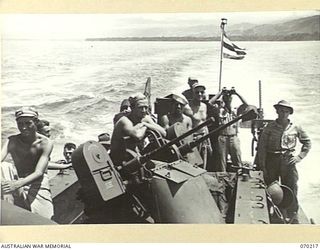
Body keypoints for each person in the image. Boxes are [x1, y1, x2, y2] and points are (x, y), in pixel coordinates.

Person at [256, 100, 311, 221]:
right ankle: (273, 213)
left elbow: (307, 142)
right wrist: (263, 166)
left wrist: (299, 157)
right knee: (271, 186)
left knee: (291, 186)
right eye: (281, 111)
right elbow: (262, 148)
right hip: (272, 160)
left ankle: (292, 215)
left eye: (286, 111)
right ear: (277, 111)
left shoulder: (296, 127)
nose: (283, 113)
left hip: (288, 161)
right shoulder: (269, 127)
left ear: (289, 113)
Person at [1, 107, 54, 219]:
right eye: (20, 124)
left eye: (28, 123)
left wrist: (16, 185)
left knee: (44, 219)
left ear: (36, 122)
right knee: (4, 166)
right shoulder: (12, 140)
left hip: (36, 182)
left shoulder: (45, 143)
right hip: (17, 179)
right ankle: (8, 200)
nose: (23, 127)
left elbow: (39, 172)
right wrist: (7, 185)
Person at [110, 93, 167, 166]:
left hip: (134, 158)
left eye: (146, 107)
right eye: (140, 107)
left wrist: (145, 124)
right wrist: (146, 125)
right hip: (118, 161)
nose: (144, 110)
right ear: (132, 108)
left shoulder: (145, 119)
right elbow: (137, 136)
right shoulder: (124, 121)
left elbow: (163, 133)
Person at [208, 87, 248, 172]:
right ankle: (222, 179)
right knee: (221, 162)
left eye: (229, 97)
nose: (228, 99)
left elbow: (246, 105)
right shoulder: (219, 110)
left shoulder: (236, 110)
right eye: (226, 97)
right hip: (222, 138)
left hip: (233, 138)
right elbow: (209, 103)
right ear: (223, 99)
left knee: (237, 160)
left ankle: (239, 178)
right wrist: (220, 93)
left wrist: (236, 93)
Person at [183, 82, 212, 169]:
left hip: (204, 138)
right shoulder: (187, 107)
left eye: (202, 92)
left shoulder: (204, 106)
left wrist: (208, 141)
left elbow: (204, 124)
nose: (199, 94)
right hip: (193, 139)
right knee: (194, 165)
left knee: (204, 164)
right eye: (197, 92)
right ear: (193, 93)